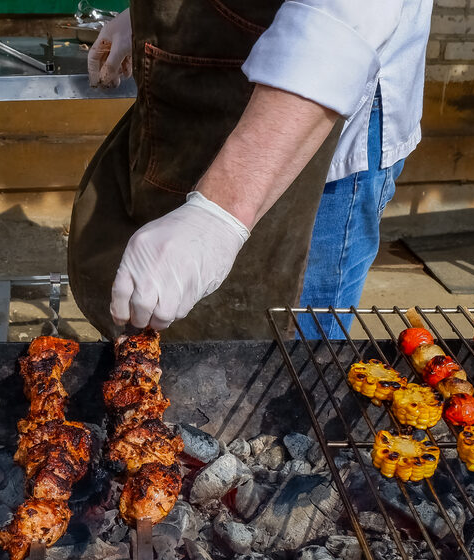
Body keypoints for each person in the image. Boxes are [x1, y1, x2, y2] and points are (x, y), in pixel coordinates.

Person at [68, 1, 433, 340]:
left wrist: (218, 214)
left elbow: (341, 19)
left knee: (293, 360)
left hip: (317, 108)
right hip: (196, 92)